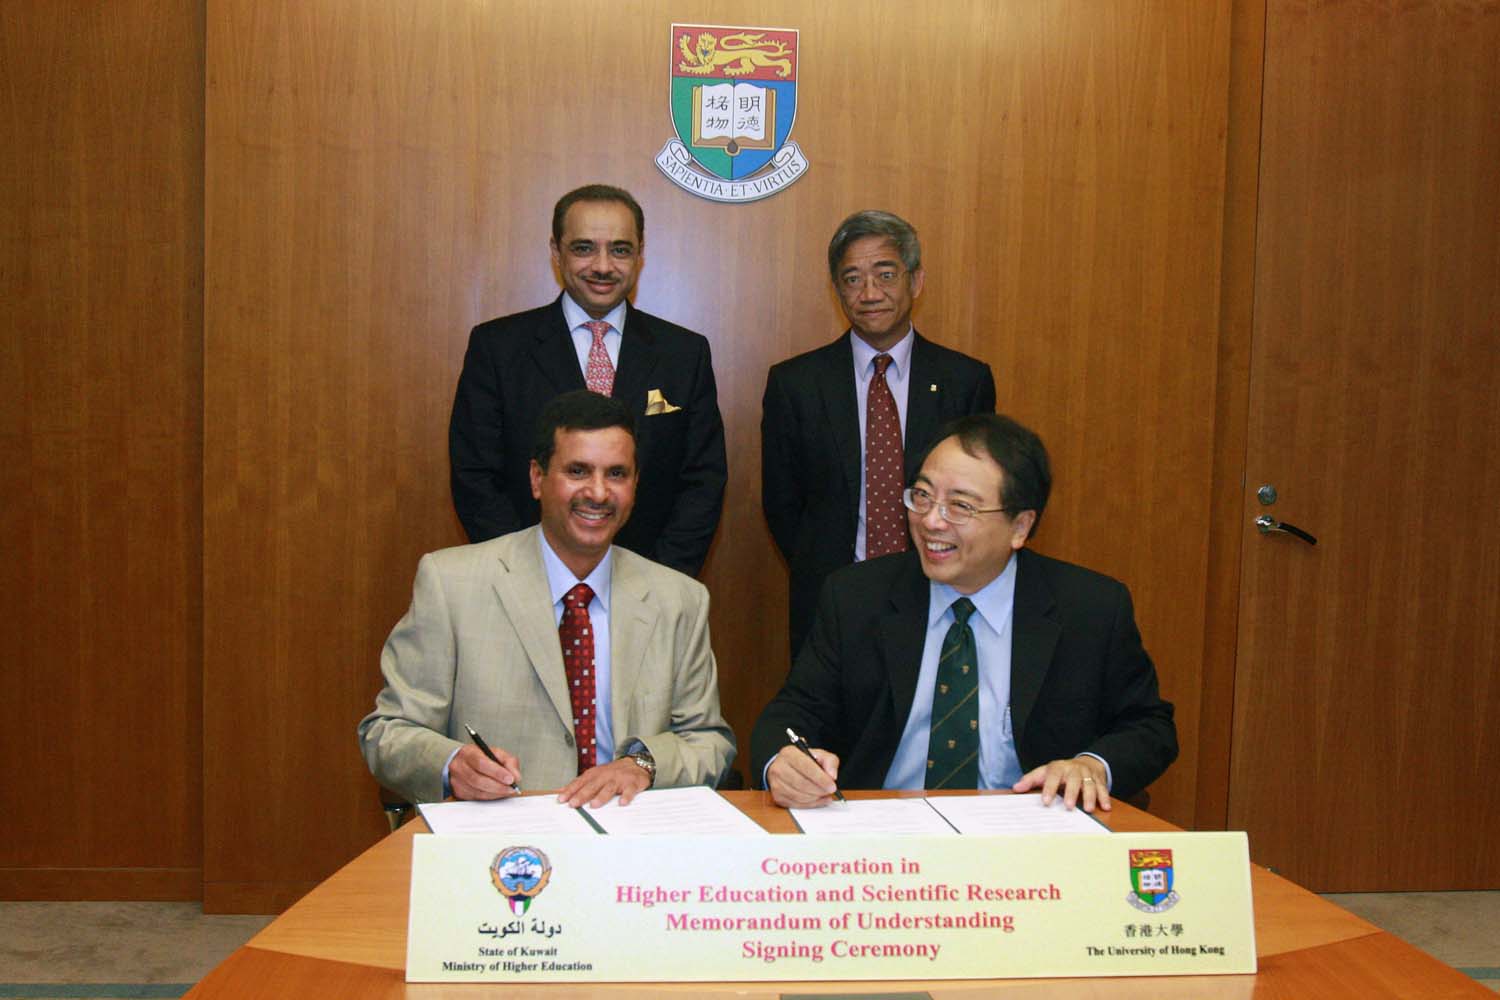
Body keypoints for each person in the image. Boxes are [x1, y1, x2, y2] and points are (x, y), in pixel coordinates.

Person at [751, 413, 1176, 812]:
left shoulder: (1089, 608)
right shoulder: (857, 597)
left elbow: (1149, 727)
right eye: (922, 496)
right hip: (886, 832)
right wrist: (782, 762)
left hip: (1028, 836)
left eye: (960, 506)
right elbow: (790, 715)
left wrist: (1092, 765)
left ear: (1020, 527)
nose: (931, 521)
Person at [362, 390, 735, 807]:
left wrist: (643, 765)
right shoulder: (451, 584)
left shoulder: (679, 599)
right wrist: (452, 764)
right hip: (502, 834)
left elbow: (710, 743)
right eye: (578, 471)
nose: (598, 493)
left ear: (635, 484)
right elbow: (389, 732)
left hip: (628, 834)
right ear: (537, 478)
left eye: (616, 474)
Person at [449, 184, 727, 577]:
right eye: (584, 248)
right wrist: (529, 578)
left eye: (620, 249)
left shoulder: (684, 354)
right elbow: (475, 476)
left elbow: (703, 481)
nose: (602, 266)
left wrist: (659, 582)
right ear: (556, 252)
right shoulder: (497, 348)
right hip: (525, 583)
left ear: (640, 254)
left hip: (650, 584)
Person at [761, 209, 995, 659]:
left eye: (885, 275)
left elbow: (979, 499)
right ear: (837, 290)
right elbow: (782, 504)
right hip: (831, 603)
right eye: (852, 279)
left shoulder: (964, 381)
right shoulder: (796, 384)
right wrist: (828, 574)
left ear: (916, 281)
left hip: (941, 595)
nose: (869, 293)